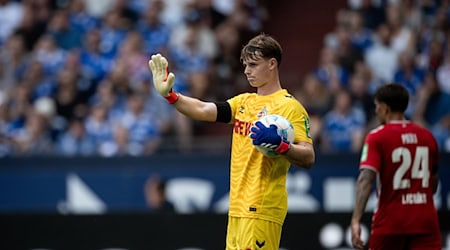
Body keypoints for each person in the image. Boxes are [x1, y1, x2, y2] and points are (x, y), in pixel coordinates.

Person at [148, 33, 315, 250]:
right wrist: (170, 96)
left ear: (272, 64)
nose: (247, 71)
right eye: (245, 65)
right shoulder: (243, 102)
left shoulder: (289, 107)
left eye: (254, 65)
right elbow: (202, 109)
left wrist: (281, 145)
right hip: (237, 208)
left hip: (262, 207)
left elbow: (308, 156)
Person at [351, 84, 441, 250]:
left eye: (377, 106)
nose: (376, 111)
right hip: (425, 221)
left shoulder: (377, 137)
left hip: (390, 223)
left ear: (385, 108)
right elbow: (433, 183)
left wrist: (356, 219)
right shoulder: (427, 136)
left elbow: (365, 179)